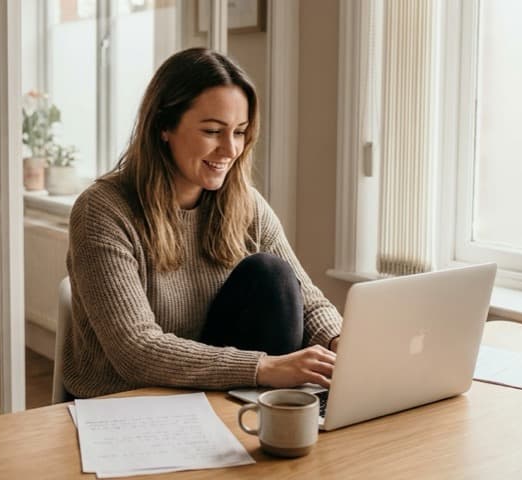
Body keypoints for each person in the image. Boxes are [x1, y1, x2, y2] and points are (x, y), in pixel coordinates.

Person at [63, 47, 343, 398]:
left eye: (240, 132)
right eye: (213, 131)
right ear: (165, 126)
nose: (230, 150)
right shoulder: (103, 211)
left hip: (209, 392)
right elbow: (134, 350)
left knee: (271, 275)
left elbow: (307, 299)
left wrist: (341, 343)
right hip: (127, 399)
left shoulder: (244, 204)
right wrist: (264, 368)